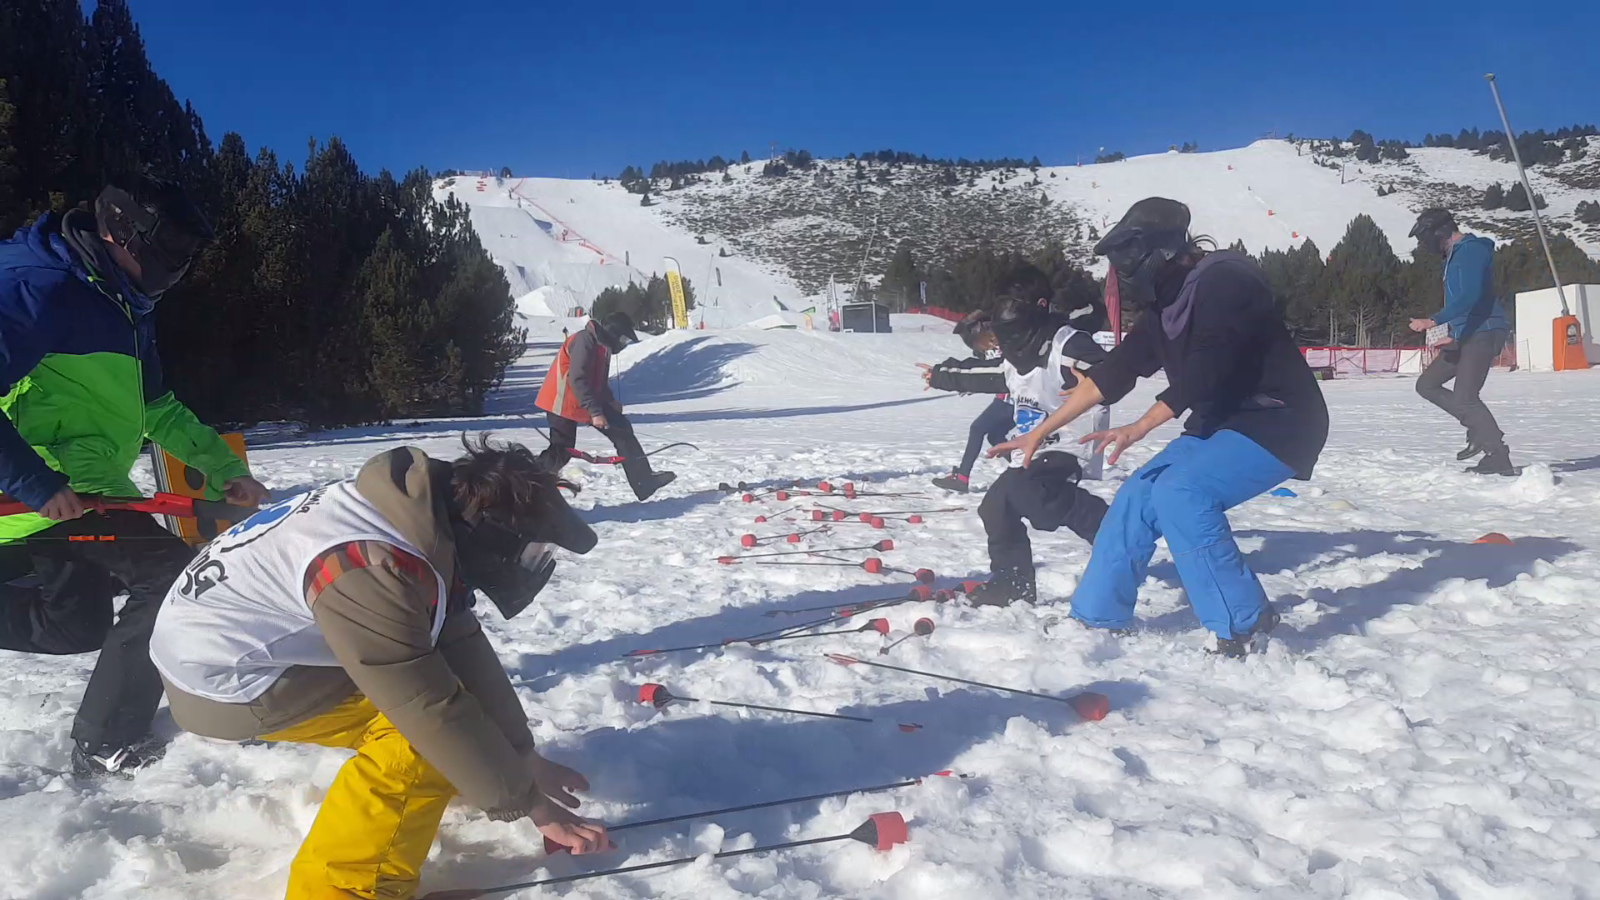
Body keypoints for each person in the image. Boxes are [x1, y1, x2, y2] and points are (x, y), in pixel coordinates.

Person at [149, 438, 608, 900]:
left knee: (445, 719)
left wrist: (520, 756)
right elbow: (424, 706)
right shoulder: (373, 565)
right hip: (225, 683)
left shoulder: (420, 511)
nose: (530, 563)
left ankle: (470, 774)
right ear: (490, 535)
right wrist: (528, 803)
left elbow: (458, 640)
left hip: (239, 650)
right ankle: (345, 891)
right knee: (418, 743)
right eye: (531, 552)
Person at [0, 174, 270, 777]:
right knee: (171, 579)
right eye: (168, 250)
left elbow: (157, 410)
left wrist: (224, 469)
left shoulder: (124, 303)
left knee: (77, 624)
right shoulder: (34, 283)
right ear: (119, 230)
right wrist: (33, 483)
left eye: (186, 256)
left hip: (80, 485)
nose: (175, 268)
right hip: (39, 490)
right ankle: (104, 741)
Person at [996, 198, 1328, 656]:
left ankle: (1247, 625)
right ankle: (1097, 617)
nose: (1122, 274)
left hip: (1281, 420)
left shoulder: (1227, 282)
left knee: (1182, 493)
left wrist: (1141, 426)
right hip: (1222, 420)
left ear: (1161, 250)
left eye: (1126, 260)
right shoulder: (1164, 307)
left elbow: (1208, 367)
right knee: (1138, 494)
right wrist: (1040, 430)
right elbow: (1116, 371)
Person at [925, 286, 1112, 607]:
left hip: (1071, 442)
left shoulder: (1066, 346)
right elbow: (981, 374)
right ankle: (1013, 583)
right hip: (1032, 446)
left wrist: (1099, 380)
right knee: (996, 505)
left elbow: (1115, 369)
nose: (1009, 349)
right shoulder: (1012, 360)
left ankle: (1111, 529)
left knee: (1031, 495)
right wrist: (940, 375)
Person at [1406, 208, 1514, 475]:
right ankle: (1479, 430)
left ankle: (1497, 453)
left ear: (1440, 231)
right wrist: (1453, 334)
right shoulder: (1451, 257)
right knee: (1427, 384)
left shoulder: (1472, 250)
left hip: (1485, 331)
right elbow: (1462, 303)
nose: (1423, 244)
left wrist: (1434, 321)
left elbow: (1470, 295)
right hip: (1466, 334)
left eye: (1425, 237)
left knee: (1466, 397)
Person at [536, 311, 675, 500]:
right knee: (561, 450)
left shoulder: (602, 346)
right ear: (613, 332)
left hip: (583, 399)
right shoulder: (585, 340)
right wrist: (595, 412)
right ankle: (527, 482)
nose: (624, 343)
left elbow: (597, 381)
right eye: (624, 338)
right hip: (562, 400)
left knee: (622, 428)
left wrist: (609, 401)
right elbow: (578, 379)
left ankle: (644, 482)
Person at [920, 310, 1011, 493]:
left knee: (978, 428)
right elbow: (983, 373)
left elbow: (998, 374)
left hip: (1014, 398)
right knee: (995, 436)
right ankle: (1027, 467)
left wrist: (945, 377)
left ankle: (962, 478)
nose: (977, 348)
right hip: (1009, 397)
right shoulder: (999, 342)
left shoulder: (1007, 342)